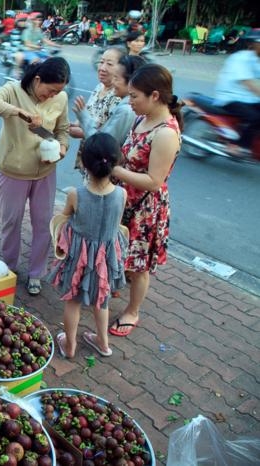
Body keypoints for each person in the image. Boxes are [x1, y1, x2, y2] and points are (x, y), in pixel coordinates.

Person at [0, 57, 70, 295]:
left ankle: (36, 273)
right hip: (13, 171)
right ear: (38, 79)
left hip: (45, 172)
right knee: (11, 222)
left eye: (57, 92)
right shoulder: (13, 90)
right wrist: (19, 113)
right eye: (49, 91)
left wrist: (62, 148)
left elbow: (62, 131)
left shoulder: (61, 98)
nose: (52, 96)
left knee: (43, 224)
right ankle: (9, 268)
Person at [108, 64, 182, 337]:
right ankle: (115, 284)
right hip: (124, 201)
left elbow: (153, 181)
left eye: (134, 96)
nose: (130, 101)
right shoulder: (142, 119)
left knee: (139, 267)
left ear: (154, 95)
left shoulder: (165, 133)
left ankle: (133, 311)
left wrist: (114, 171)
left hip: (145, 210)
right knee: (120, 253)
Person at [50, 133, 128, 358]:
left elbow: (64, 218)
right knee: (101, 299)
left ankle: (70, 345)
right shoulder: (121, 194)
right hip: (105, 258)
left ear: (85, 162)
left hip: (79, 257)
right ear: (116, 162)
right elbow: (116, 226)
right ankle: (103, 344)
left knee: (73, 300)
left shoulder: (76, 194)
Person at [75, 54, 145, 147]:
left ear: (131, 82)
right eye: (101, 62)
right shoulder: (125, 103)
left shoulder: (126, 110)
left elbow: (103, 145)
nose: (113, 82)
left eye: (116, 78)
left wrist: (84, 117)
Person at [70, 47, 123, 169]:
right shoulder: (99, 87)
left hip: (102, 159)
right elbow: (88, 113)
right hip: (89, 152)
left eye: (109, 64)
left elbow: (110, 135)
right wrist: (75, 124)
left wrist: (82, 132)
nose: (102, 68)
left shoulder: (118, 96)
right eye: (101, 62)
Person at [213, 29, 260, 157]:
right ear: (253, 44)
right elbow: (248, 83)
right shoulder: (241, 59)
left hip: (248, 98)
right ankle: (237, 145)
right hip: (230, 97)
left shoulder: (256, 59)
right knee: (256, 117)